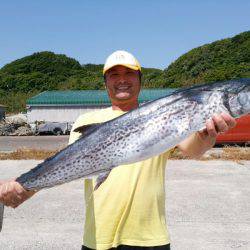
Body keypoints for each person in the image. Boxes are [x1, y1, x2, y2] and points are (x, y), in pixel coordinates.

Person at [0, 50, 236, 249]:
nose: (122, 79)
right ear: (106, 82)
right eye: (114, 74)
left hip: (150, 238)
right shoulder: (87, 121)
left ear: (140, 80)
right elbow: (65, 168)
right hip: (98, 238)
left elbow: (193, 150)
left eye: (129, 74)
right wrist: (24, 188)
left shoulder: (162, 116)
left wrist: (208, 135)